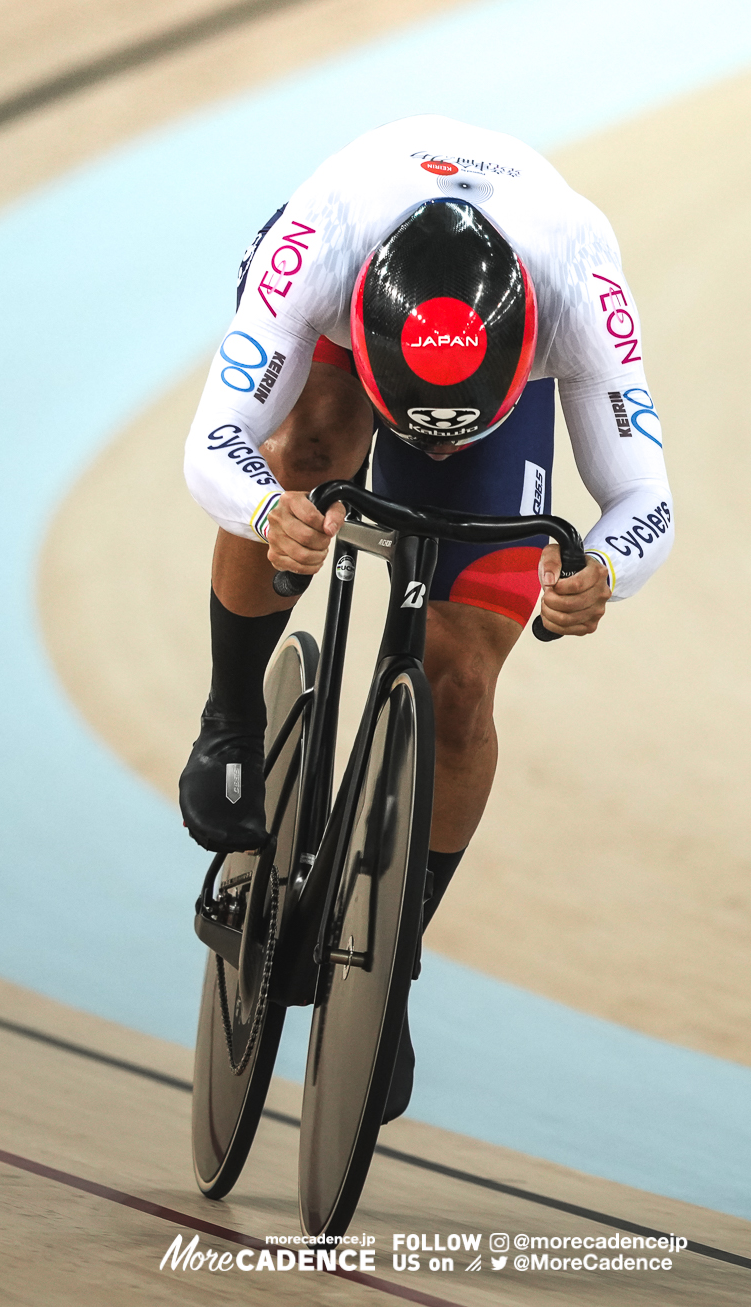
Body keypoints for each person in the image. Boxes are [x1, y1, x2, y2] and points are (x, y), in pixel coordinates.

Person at [179, 115, 673, 1120]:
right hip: (339, 331)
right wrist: (272, 511)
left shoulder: (577, 280)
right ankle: (231, 717)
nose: (427, 449)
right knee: (310, 443)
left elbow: (645, 497)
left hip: (489, 362)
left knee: (458, 683)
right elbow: (212, 441)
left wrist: (606, 571)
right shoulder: (317, 248)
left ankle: (389, 965)